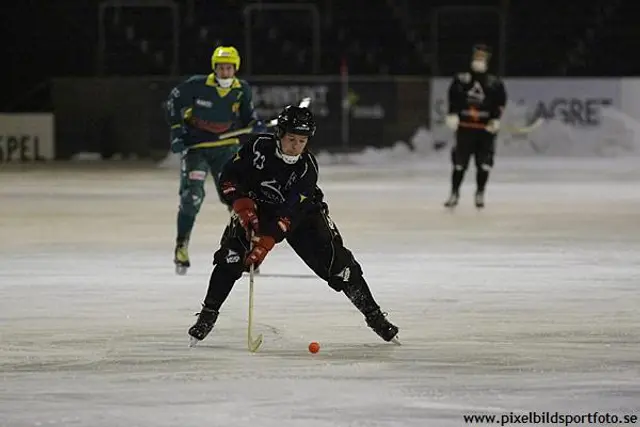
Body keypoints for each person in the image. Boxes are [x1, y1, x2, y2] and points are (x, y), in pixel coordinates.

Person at [187, 105, 400, 345]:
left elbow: (290, 214)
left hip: (303, 216)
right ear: (279, 134)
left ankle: (375, 317)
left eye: (302, 140)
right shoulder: (257, 147)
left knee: (340, 266)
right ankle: (208, 314)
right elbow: (228, 177)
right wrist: (243, 206)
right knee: (231, 258)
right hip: (256, 208)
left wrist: (266, 242)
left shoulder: (307, 168)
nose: (296, 146)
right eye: (291, 139)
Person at [165, 46, 266, 275]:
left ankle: (245, 247)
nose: (225, 71)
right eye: (221, 67)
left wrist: (255, 124)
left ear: (235, 69)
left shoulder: (241, 90)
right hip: (197, 149)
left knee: (236, 197)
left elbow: (247, 116)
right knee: (192, 196)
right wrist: (177, 132)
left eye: (229, 67)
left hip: (225, 149)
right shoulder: (197, 85)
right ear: (214, 68)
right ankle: (182, 245)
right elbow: (173, 103)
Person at [443, 43, 507, 209]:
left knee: (484, 164)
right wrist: (452, 114)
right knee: (459, 163)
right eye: (477, 55)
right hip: (465, 129)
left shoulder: (495, 83)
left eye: (482, 56)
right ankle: (454, 193)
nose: (479, 58)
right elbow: (453, 98)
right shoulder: (461, 79)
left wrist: (495, 119)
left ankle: (480, 193)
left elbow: (500, 103)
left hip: (485, 130)